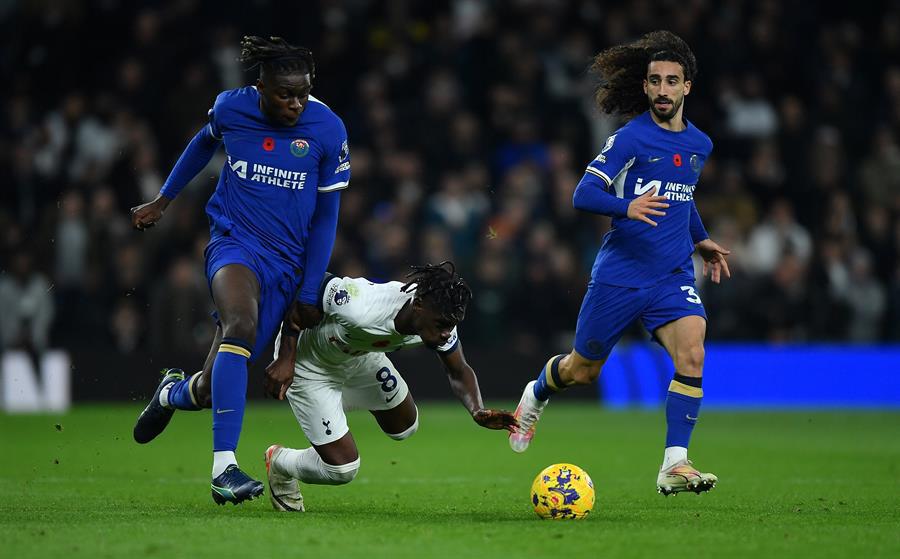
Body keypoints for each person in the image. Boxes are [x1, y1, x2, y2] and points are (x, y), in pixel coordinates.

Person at [507, 31, 731, 496]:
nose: (663, 90)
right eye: (656, 81)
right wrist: (626, 207)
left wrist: (701, 239)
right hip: (621, 273)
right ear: (645, 87)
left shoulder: (699, 144)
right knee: (582, 371)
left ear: (687, 87)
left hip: (671, 273)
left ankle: (674, 463)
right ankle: (536, 392)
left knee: (693, 352)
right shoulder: (630, 138)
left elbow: (682, 197)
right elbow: (583, 193)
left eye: (672, 81)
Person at [129, 36, 350, 505]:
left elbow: (326, 218)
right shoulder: (232, 107)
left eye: (303, 93)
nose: (296, 104)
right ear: (261, 88)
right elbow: (201, 143)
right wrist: (163, 201)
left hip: (287, 264)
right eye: (285, 95)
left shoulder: (328, 129)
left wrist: (309, 289)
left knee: (211, 388)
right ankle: (223, 468)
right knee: (241, 326)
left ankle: (171, 393)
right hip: (234, 243)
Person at [261, 262, 517, 512]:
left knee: (405, 426)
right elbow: (309, 289)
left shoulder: (441, 318)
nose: (446, 333)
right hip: (309, 365)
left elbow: (458, 370)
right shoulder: (359, 306)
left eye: (451, 325)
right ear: (418, 305)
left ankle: (330, 410)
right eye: (441, 325)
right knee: (342, 469)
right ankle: (281, 462)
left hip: (359, 357)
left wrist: (477, 410)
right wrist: (285, 358)